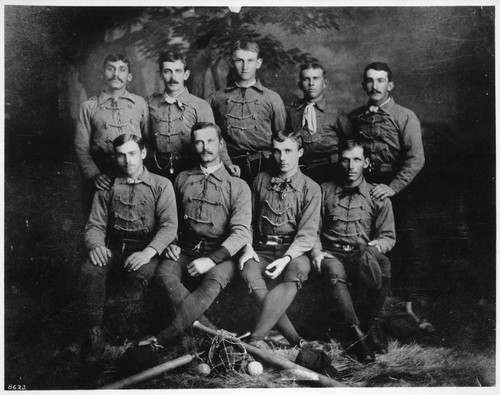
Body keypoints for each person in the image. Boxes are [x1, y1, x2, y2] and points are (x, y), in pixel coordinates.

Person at [122, 122, 252, 372]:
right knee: (164, 272)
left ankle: (161, 340)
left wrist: (212, 259)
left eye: (211, 141)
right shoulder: (181, 179)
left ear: (221, 144)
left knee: (212, 283)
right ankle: (220, 339)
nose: (205, 147)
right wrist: (170, 243)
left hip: (221, 254)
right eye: (199, 142)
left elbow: (241, 233)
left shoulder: (238, 186)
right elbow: (169, 220)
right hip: (184, 249)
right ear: (193, 145)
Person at [73, 133, 178, 363]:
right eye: (121, 156)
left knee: (138, 276)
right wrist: (96, 245)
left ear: (142, 153)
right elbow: (95, 224)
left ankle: (120, 339)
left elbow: (169, 226)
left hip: (146, 250)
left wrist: (148, 253)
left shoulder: (161, 185)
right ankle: (93, 335)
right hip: (113, 248)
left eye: (132, 154)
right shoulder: (107, 185)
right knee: (90, 270)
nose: (127, 161)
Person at [348, 62, 426, 325]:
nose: (375, 86)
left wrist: (392, 187)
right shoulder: (355, 117)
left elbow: (416, 159)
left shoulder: (405, 116)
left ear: (389, 85)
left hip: (396, 186)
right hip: (366, 186)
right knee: (369, 243)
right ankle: (375, 306)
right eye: (370, 81)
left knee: (406, 243)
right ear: (364, 85)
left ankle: (408, 305)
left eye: (381, 81)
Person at [311, 139, 395, 363]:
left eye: (357, 160)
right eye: (346, 160)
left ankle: (372, 325)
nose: (351, 166)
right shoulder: (324, 191)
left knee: (384, 263)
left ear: (366, 163)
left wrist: (374, 247)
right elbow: (313, 229)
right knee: (334, 271)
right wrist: (317, 252)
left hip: (362, 253)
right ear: (339, 161)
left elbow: (388, 236)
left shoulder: (377, 195)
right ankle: (357, 334)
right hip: (332, 253)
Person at [239, 129, 321, 349]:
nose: (282, 158)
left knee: (299, 271)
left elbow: (307, 233)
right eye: (277, 151)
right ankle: (296, 340)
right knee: (248, 270)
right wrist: (248, 248)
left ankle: (255, 339)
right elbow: (246, 219)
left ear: (300, 152)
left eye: (288, 151)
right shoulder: (260, 180)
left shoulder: (311, 188)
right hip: (261, 248)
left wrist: (285, 259)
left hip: (292, 251)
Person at [147, 52, 239, 180]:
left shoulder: (200, 105)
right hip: (158, 168)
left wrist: (228, 164)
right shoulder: (150, 104)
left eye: (178, 71)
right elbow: (144, 138)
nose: (173, 77)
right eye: (168, 71)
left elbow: (214, 138)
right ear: (161, 74)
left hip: (190, 168)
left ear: (186, 75)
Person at [74, 53, 149, 209]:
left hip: (134, 176)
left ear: (129, 76)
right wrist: (94, 174)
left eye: (122, 69)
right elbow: (81, 148)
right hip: (102, 177)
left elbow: (147, 139)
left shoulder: (140, 103)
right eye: (110, 69)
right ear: (102, 74)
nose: (116, 74)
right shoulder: (89, 107)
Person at [208, 39, 287, 184]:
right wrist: (226, 162)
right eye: (239, 60)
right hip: (230, 166)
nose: (245, 67)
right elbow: (212, 137)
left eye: (250, 61)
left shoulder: (272, 98)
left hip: (266, 166)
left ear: (258, 63)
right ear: (231, 63)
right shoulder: (216, 98)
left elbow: (281, 138)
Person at [286, 62, 352, 184]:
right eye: (307, 79)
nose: (311, 84)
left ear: (325, 83)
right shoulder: (292, 112)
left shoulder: (336, 113)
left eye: (316, 78)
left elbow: (350, 142)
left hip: (331, 171)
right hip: (301, 171)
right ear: (300, 85)